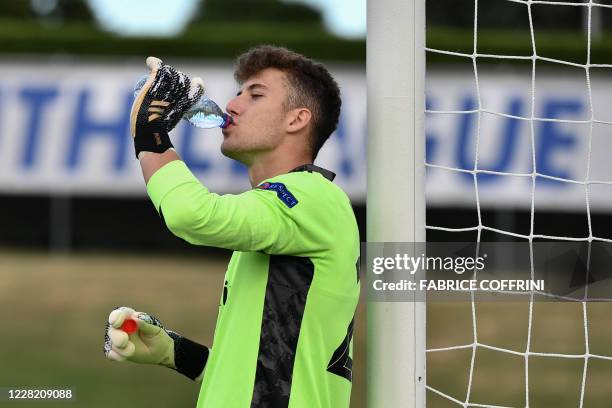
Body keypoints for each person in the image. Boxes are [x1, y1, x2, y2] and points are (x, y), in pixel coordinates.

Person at [103, 46, 360, 408]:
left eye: (255, 95)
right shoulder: (283, 214)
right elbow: (262, 377)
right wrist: (172, 352)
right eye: (238, 93)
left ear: (297, 119)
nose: (233, 105)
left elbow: (190, 214)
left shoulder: (312, 196)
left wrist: (150, 134)